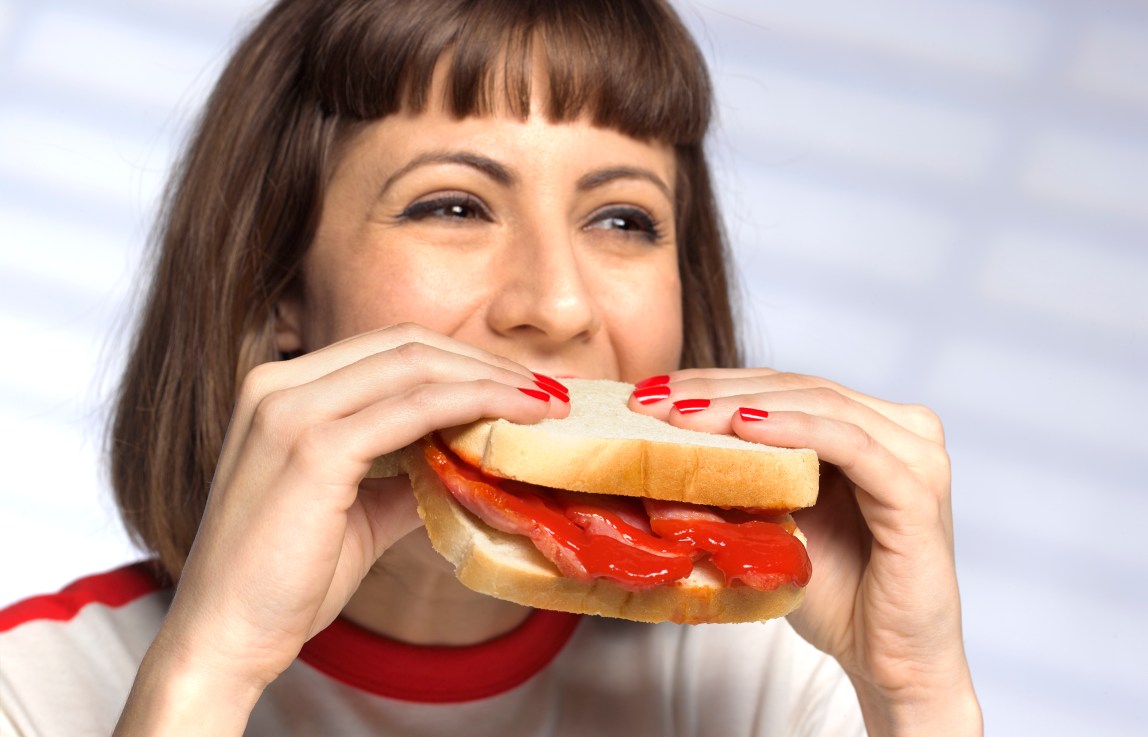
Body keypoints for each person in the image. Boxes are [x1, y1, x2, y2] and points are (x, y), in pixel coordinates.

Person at [0, 0, 982, 734]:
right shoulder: (30, 689)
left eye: (622, 219)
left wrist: (915, 695)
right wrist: (210, 670)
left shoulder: (787, 689)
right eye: (454, 206)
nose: (556, 304)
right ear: (277, 289)